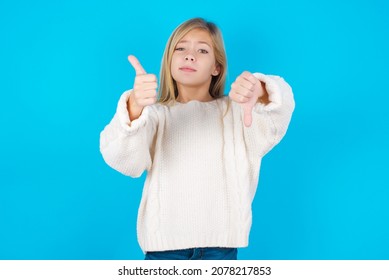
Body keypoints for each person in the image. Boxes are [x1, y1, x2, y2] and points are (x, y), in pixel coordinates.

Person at [99, 17, 295, 260]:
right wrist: (135, 106)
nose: (189, 55)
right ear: (169, 59)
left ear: (217, 68)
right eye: (180, 48)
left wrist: (262, 91)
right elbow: (122, 158)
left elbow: (278, 114)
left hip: (220, 251)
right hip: (164, 253)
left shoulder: (237, 111)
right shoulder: (155, 116)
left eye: (202, 50)